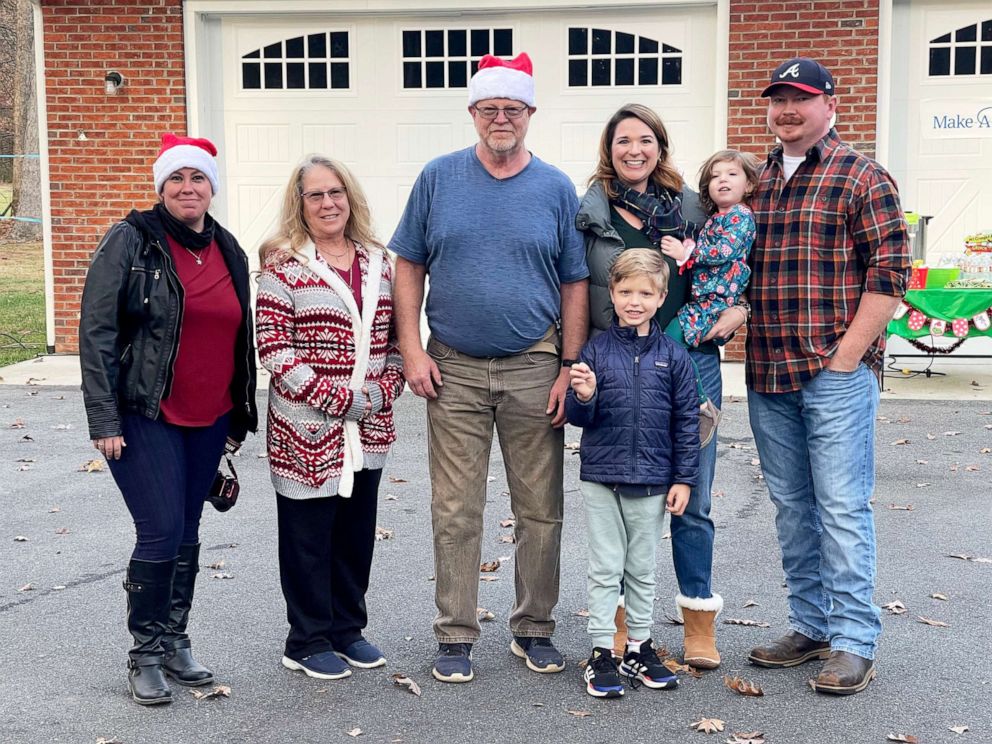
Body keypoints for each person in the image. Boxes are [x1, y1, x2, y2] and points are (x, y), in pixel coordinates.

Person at [389, 52, 589, 683]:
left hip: (534, 365)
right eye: (489, 108)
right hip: (453, 367)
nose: (501, 118)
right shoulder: (438, 178)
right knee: (455, 507)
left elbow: (574, 280)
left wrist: (568, 364)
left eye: (513, 109)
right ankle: (455, 632)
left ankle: (534, 628)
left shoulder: (555, 187)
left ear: (530, 114)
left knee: (540, 508)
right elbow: (408, 265)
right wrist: (412, 349)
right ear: (474, 113)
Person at [745, 57, 911, 696]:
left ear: (830, 105)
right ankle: (811, 624)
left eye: (801, 99)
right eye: (779, 99)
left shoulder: (862, 177)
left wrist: (847, 356)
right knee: (792, 507)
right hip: (768, 373)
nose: (788, 110)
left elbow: (889, 274)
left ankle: (853, 641)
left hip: (833, 374)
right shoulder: (757, 181)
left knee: (841, 506)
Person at [79, 133, 258, 705]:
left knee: (188, 530)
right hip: (144, 411)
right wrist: (104, 419)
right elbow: (98, 334)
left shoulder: (228, 247)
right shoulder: (130, 241)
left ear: (212, 187)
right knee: (159, 530)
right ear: (161, 186)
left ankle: (176, 640)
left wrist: (241, 412)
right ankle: (146, 653)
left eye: (198, 178)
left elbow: (240, 334)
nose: (188, 188)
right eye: (176, 178)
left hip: (210, 416)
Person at [576, 104, 747, 670]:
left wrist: (741, 306)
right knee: (625, 494)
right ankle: (625, 622)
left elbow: (740, 261)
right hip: (618, 363)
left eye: (645, 139)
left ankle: (697, 616)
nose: (634, 150)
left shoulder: (694, 207)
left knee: (690, 494)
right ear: (610, 147)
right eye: (623, 140)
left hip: (691, 360)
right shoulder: (591, 211)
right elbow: (572, 286)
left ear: (660, 146)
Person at [255, 155, 405, 682]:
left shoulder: (381, 263)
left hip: (367, 426)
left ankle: (348, 630)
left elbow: (396, 343)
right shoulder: (284, 264)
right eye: (315, 195)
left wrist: (383, 391)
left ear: (350, 196)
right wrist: (333, 396)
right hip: (305, 426)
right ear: (300, 204)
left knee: (355, 533)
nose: (327, 203)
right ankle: (307, 638)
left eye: (335, 192)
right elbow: (273, 346)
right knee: (307, 535)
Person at [566, 249, 699, 698]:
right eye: (625, 292)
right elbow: (579, 417)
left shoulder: (675, 357)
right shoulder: (596, 350)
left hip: (652, 479)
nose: (634, 301)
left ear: (662, 297)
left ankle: (639, 648)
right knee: (606, 568)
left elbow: (686, 423)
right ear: (613, 295)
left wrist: (684, 479)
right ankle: (602, 651)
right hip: (601, 476)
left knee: (642, 568)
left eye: (645, 292)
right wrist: (583, 396)